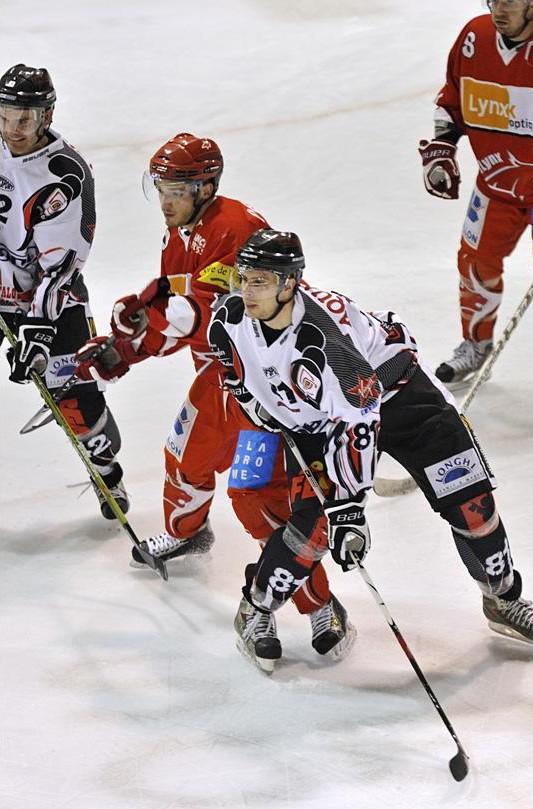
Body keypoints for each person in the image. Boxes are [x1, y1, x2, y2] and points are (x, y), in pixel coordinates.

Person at [208, 227, 533, 668]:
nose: (247, 289)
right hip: (322, 415)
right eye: (244, 277)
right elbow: (234, 370)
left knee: (472, 505)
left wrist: (350, 509)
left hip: (402, 396)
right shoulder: (228, 319)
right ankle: (255, 609)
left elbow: (360, 418)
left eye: (260, 280)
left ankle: (503, 599)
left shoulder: (324, 341)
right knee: (313, 529)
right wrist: (258, 406)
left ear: (290, 283)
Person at [75, 134, 354, 671]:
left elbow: (201, 313)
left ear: (205, 186)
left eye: (175, 189)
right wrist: (129, 338)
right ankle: (188, 535)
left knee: (258, 498)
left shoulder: (235, 228)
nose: (165, 199)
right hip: (219, 375)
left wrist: (132, 343)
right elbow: (180, 305)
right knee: (186, 459)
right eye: (160, 188)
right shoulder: (183, 230)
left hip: (265, 384)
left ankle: (320, 604)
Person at [418, 1, 533, 386]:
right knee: (474, 263)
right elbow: (452, 99)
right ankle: (475, 344)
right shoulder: (474, 36)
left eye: (511, 1)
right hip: (496, 184)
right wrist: (442, 150)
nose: (500, 9)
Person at [0, 63, 128, 517]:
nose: (14, 128)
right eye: (7, 114)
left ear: (47, 116)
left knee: (71, 394)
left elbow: (62, 268)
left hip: (48, 297)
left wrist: (37, 329)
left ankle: (105, 468)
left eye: (26, 118)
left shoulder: (66, 175)